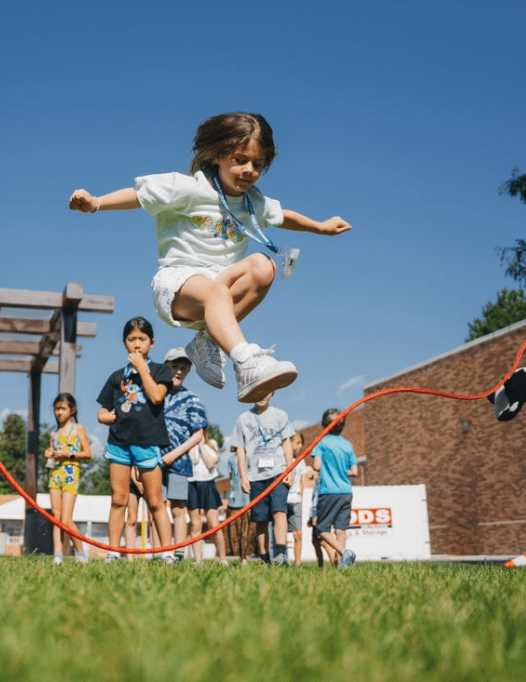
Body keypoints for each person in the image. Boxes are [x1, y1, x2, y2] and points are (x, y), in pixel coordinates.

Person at [70, 112, 352, 404]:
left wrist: (319, 227)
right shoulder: (190, 188)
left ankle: (206, 339)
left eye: (257, 164)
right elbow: (140, 195)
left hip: (219, 290)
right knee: (215, 287)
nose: (249, 170)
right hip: (177, 284)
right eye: (240, 160)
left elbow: (283, 217)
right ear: (218, 154)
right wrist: (96, 203)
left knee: (264, 266)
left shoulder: (252, 202)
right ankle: (247, 363)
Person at [97, 316, 176, 563]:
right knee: (118, 498)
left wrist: (142, 367)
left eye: (142, 339)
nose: (137, 344)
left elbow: (155, 397)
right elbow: (102, 409)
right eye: (132, 340)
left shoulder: (162, 370)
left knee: (155, 501)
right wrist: (104, 417)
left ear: (152, 343)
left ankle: (167, 553)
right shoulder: (115, 377)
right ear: (124, 343)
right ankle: (113, 552)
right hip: (119, 442)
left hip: (147, 442)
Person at [232, 391, 296, 565]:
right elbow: (240, 449)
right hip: (255, 476)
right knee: (260, 518)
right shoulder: (243, 419)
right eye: (258, 390)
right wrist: (243, 476)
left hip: (278, 472)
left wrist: (290, 470)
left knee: (279, 511)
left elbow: (286, 442)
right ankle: (264, 557)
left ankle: (281, 554)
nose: (262, 394)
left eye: (267, 390)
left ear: (273, 392)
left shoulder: (280, 415)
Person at [161, 347, 209, 563]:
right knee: (157, 506)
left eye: (183, 368)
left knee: (178, 508)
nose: (178, 371)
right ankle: (160, 551)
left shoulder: (192, 399)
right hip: (153, 460)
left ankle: (178, 553)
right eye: (174, 367)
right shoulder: (156, 394)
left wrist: (175, 454)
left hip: (179, 462)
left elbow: (198, 434)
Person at [45, 392, 92, 565]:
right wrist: (49, 454)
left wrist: (68, 454)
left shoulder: (78, 429)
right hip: (55, 475)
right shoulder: (54, 433)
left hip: (71, 474)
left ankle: (80, 552)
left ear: (72, 410)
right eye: (56, 409)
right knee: (56, 519)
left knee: (66, 519)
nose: (59, 412)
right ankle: (57, 554)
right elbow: (52, 457)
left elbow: (88, 453)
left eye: (63, 408)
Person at [313, 408, 359, 568]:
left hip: (329, 491)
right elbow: (355, 471)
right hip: (346, 491)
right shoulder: (347, 445)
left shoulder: (321, 443)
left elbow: (316, 465)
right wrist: (341, 470)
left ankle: (345, 553)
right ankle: (342, 565)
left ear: (323, 425)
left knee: (321, 529)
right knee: (341, 530)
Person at [188, 438, 228, 565]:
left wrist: (201, 444)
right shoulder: (188, 444)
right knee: (196, 525)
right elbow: (191, 461)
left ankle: (222, 559)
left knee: (214, 525)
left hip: (208, 484)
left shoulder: (212, 444)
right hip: (192, 484)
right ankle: (198, 560)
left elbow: (210, 463)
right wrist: (192, 444)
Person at [286, 432, 307, 568]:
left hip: (295, 500)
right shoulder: (282, 459)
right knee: (280, 533)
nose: (299, 446)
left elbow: (302, 481)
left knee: (298, 533)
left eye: (301, 443)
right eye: (297, 442)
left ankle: (297, 563)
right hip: (283, 500)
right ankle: (281, 560)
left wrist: (301, 498)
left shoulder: (301, 461)